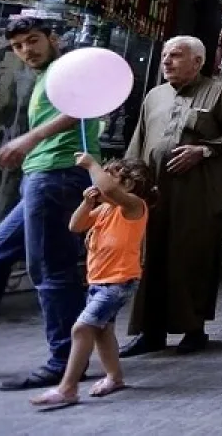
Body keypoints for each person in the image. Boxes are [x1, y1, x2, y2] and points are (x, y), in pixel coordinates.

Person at [0, 16, 98, 390]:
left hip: (60, 176)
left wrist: (25, 141)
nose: (26, 51)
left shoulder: (69, 68)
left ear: (54, 38)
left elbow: (82, 108)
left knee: (51, 269)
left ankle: (65, 360)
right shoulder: (43, 77)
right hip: (40, 178)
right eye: (18, 46)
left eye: (33, 41)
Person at [118, 36, 222, 358]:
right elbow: (139, 141)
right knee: (151, 258)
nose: (166, 61)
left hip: (198, 194)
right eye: (164, 55)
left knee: (191, 257)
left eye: (175, 56)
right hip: (154, 192)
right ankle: (150, 332)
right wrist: (124, 184)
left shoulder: (218, 91)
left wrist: (204, 149)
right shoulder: (154, 96)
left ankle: (194, 329)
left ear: (197, 61)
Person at [30, 155, 155, 410]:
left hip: (119, 282)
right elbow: (75, 226)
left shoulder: (133, 206)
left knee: (81, 328)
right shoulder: (104, 209)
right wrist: (87, 204)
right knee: (101, 331)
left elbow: (108, 189)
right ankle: (115, 377)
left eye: (109, 175)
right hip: (99, 282)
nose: (101, 182)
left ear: (128, 185)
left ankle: (68, 388)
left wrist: (91, 164)